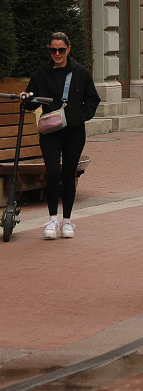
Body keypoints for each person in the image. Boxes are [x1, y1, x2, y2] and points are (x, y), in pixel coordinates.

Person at [21, 32, 100, 240]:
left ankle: (67, 221)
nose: (57, 53)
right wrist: (27, 98)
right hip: (50, 132)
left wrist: (77, 117)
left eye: (61, 50)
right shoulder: (41, 73)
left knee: (68, 175)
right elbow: (32, 101)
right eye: (53, 50)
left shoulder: (79, 72)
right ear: (49, 50)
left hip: (74, 132)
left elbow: (92, 100)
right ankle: (52, 219)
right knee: (53, 172)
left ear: (68, 50)